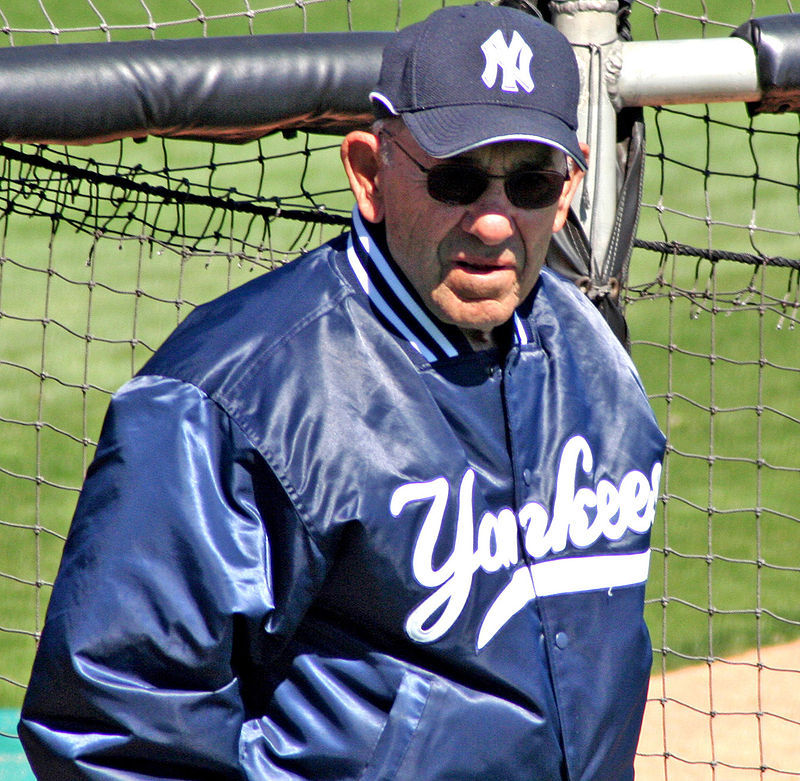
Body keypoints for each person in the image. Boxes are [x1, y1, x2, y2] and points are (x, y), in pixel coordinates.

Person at [20, 3, 665, 779]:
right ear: (369, 171)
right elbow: (118, 732)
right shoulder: (231, 395)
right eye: (458, 178)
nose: (495, 223)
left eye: (530, 182)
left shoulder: (590, 358)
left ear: (569, 189)